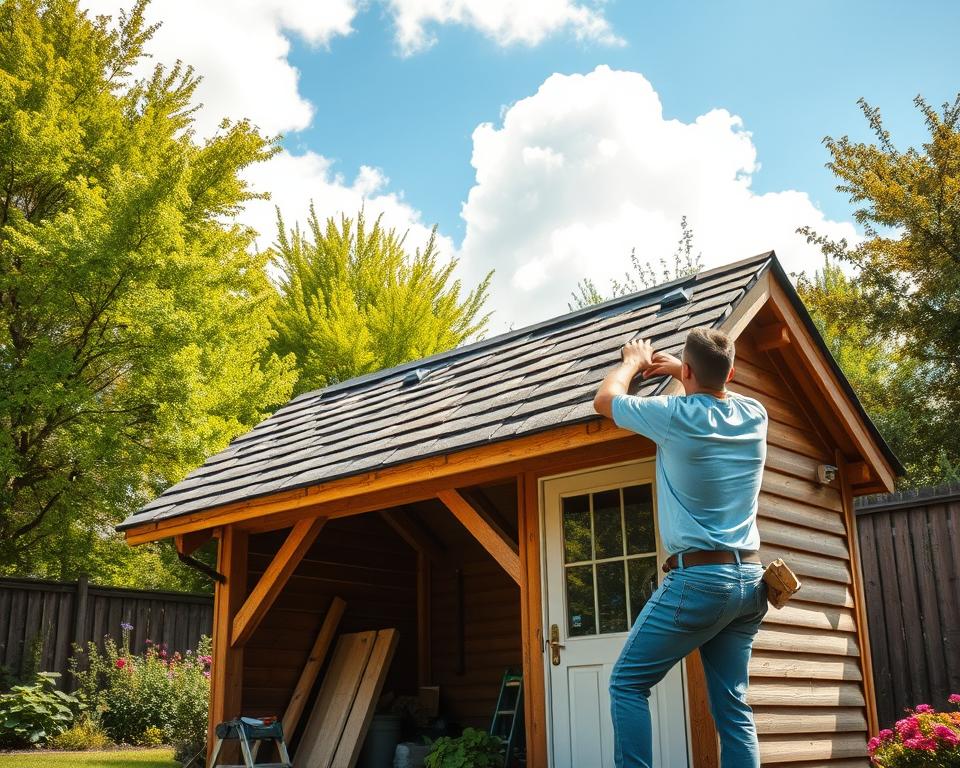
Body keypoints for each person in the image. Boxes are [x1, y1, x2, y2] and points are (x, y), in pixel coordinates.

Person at [593, 328, 768, 768]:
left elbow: (605, 400)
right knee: (733, 706)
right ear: (728, 373)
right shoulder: (755, 414)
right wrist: (686, 371)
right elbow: (720, 386)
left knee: (627, 683)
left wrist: (633, 361)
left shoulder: (675, 414)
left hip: (702, 580)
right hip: (751, 582)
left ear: (688, 372)